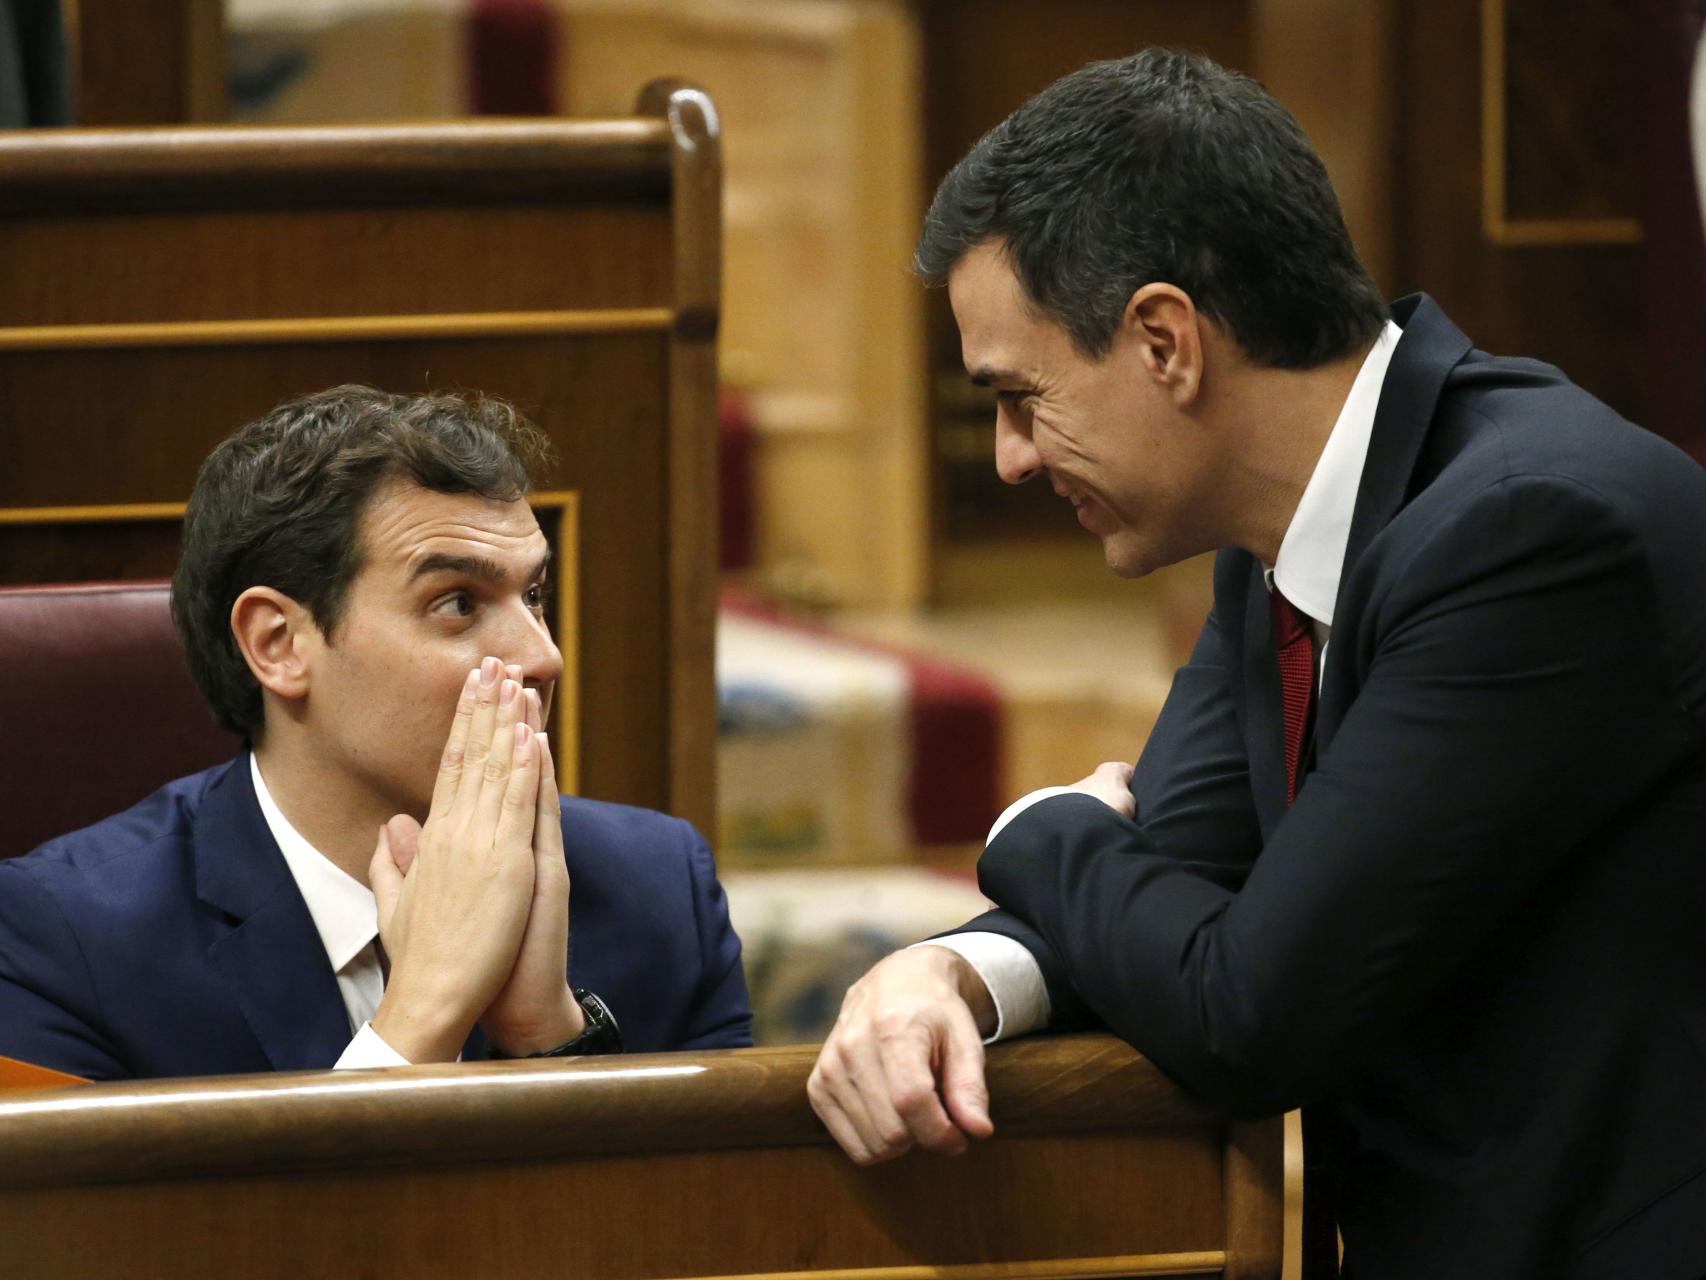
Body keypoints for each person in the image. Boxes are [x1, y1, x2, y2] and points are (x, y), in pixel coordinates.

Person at [807, 49, 1706, 1279]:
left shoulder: (1532, 531)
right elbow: (1166, 882)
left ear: (1163, 340)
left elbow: (1249, 1009)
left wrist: (1033, 825)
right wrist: (953, 967)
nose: (1010, 456)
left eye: (1020, 397)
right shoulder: (1279, 538)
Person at [0, 386, 752, 1078]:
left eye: (532, 594)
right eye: (458, 603)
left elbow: (706, 1190)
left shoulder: (661, 888)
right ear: (278, 644)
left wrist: (547, 1036)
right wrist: (425, 1010)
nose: (542, 656)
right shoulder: (61, 939)